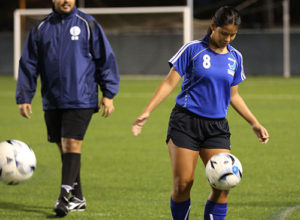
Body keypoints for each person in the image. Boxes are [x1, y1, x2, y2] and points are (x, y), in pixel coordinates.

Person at [132, 6, 269, 220]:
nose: (228, 39)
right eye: (224, 33)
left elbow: (234, 95)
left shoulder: (235, 57)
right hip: (185, 122)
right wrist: (147, 111)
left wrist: (254, 123)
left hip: (216, 127)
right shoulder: (193, 49)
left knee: (224, 184)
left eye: (233, 34)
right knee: (183, 184)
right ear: (213, 26)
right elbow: (169, 83)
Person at [16, 0, 119, 217]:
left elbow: (105, 59)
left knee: (71, 143)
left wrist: (108, 94)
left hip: (82, 97)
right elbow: (29, 63)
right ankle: (78, 197)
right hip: (52, 99)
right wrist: (24, 95)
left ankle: (63, 198)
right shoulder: (40, 28)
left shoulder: (88, 24)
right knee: (63, 148)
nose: (66, 0)